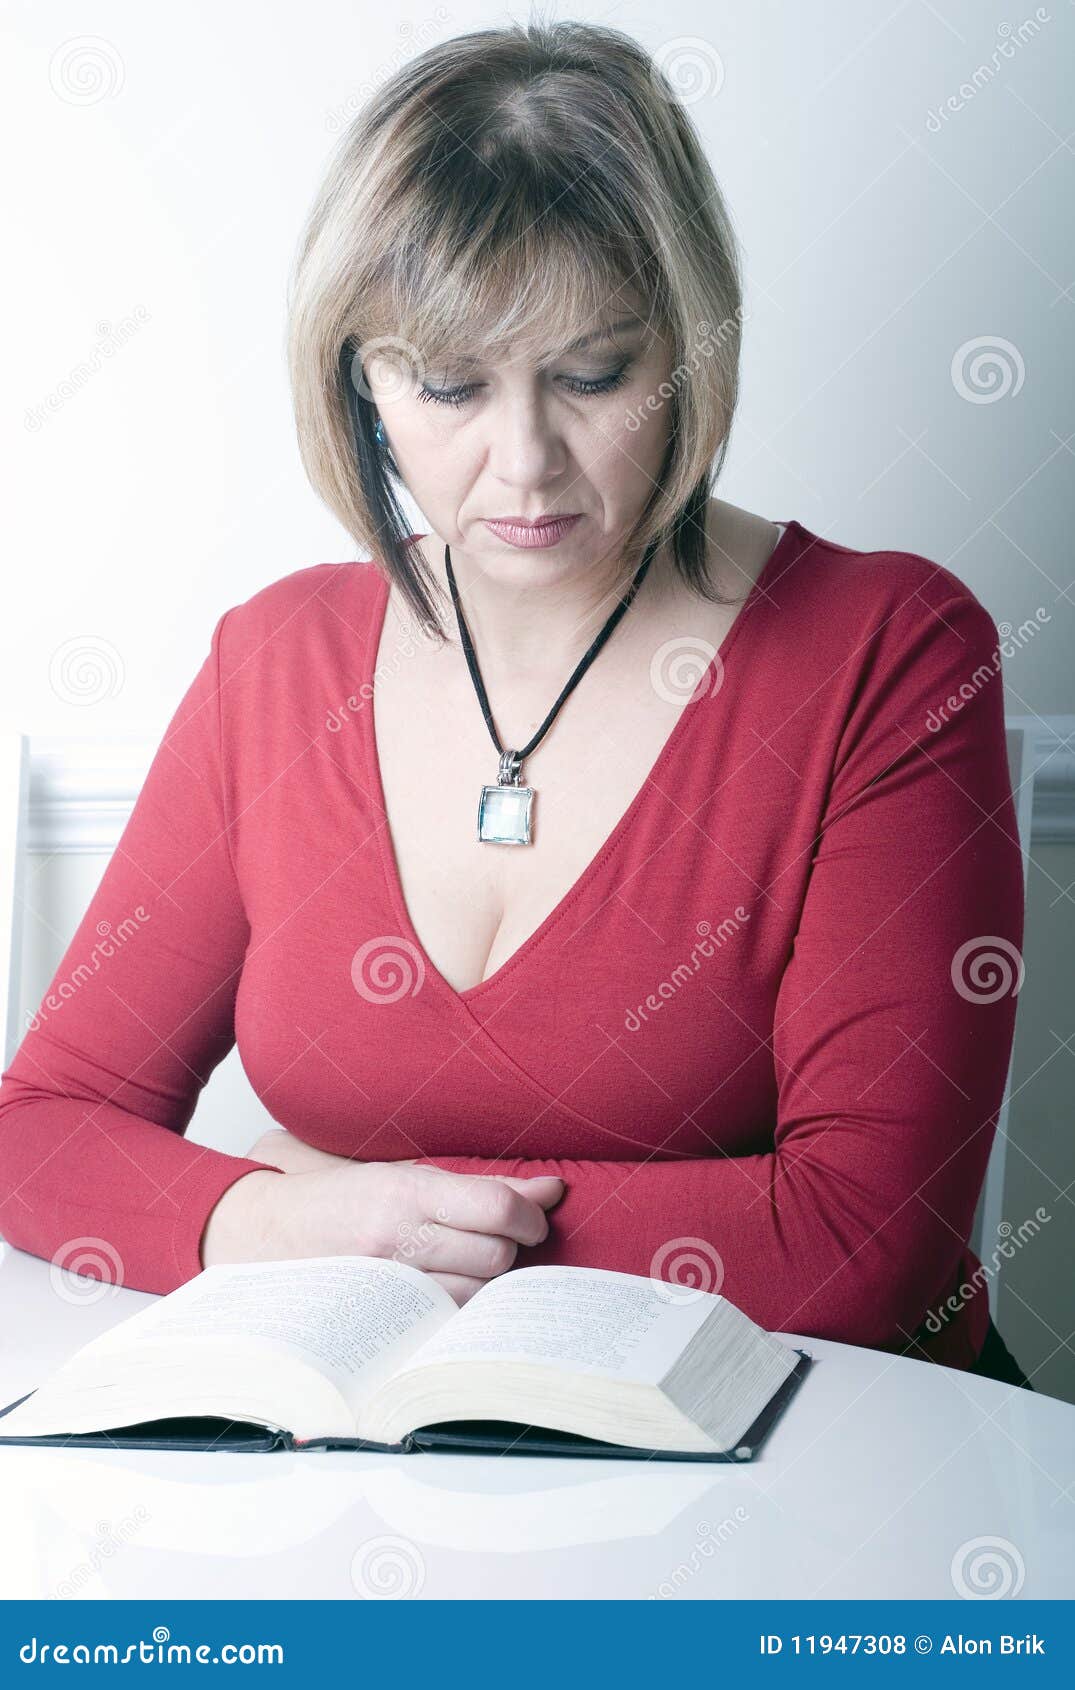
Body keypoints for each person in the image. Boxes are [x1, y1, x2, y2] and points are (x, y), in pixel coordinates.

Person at [0, 20, 1027, 1383]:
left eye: (594, 375)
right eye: (449, 384)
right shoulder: (278, 659)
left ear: (690, 352)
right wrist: (286, 1212)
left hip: (827, 1464)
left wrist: (376, 1215)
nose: (525, 461)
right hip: (404, 1477)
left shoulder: (886, 649)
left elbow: (865, 1237)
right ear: (358, 378)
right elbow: (42, 1126)